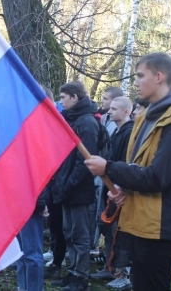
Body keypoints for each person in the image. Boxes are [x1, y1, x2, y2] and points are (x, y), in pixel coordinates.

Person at [84, 52, 171, 291]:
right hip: (138, 218)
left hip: (159, 225)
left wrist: (109, 168)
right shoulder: (148, 116)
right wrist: (122, 189)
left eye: (140, 75)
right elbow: (139, 166)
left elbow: (157, 177)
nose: (135, 82)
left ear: (159, 76)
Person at [50, 81, 99, 291]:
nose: (61, 102)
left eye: (63, 98)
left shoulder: (86, 122)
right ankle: (72, 272)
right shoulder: (72, 120)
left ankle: (81, 277)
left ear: (74, 97)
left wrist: (68, 184)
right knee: (68, 232)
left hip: (78, 189)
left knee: (80, 235)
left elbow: (85, 161)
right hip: (66, 187)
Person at [15, 85, 53, 291]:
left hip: (32, 199)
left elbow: (42, 170)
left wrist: (40, 201)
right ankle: (23, 287)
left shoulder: (43, 128)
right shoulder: (24, 125)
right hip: (16, 198)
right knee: (19, 252)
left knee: (31, 252)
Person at [101, 97, 134, 290]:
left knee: (120, 234)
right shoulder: (117, 132)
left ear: (126, 111)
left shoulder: (129, 133)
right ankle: (111, 267)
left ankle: (124, 273)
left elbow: (123, 162)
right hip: (111, 187)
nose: (110, 112)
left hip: (120, 189)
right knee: (109, 230)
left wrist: (118, 185)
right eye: (110, 108)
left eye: (114, 109)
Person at [91, 86, 123, 280]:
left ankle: (117, 270)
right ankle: (109, 265)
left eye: (107, 101)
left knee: (114, 229)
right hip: (106, 184)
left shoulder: (126, 130)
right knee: (105, 226)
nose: (106, 106)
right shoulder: (109, 123)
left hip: (116, 187)